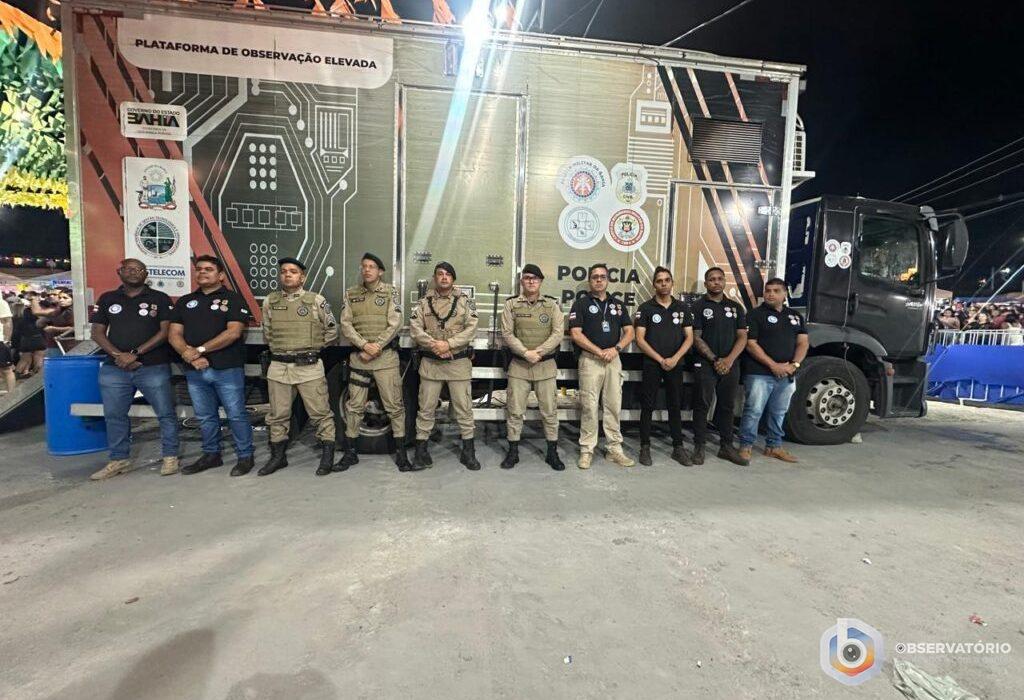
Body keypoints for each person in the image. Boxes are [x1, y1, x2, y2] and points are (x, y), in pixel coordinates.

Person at [87, 259, 180, 480]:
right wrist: (119, 356)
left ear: (146, 274)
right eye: (128, 269)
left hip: (153, 366)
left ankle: (170, 456)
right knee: (114, 415)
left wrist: (135, 354)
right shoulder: (108, 298)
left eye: (139, 269)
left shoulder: (160, 298)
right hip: (115, 368)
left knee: (166, 413)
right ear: (119, 272)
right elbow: (97, 333)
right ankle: (119, 460)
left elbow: (165, 332)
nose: (134, 273)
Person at [168, 255, 255, 475]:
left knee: (236, 414)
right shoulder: (185, 301)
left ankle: (245, 456)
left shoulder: (233, 299)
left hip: (227, 368)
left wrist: (199, 350)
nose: (202, 272)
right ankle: (211, 454)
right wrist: (189, 355)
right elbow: (174, 334)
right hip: (195, 369)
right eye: (199, 269)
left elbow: (233, 332)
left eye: (208, 269)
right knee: (205, 416)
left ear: (221, 275)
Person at [258, 257, 339, 477]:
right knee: (277, 415)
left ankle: (327, 456)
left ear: (302, 277)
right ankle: (278, 457)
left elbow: (332, 331)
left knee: (320, 413)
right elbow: (268, 333)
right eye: (283, 271)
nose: (287, 274)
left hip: (308, 367)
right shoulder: (270, 301)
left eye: (293, 271)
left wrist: (312, 347)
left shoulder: (316, 300)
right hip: (279, 367)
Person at [338, 253, 418, 472]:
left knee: (394, 407)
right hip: (360, 359)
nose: (367, 270)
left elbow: (395, 323)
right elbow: (346, 325)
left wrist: (376, 346)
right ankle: (350, 453)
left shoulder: (391, 292)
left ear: (380, 271)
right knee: (354, 407)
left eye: (372, 266)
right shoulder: (351, 294)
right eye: (364, 266)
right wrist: (365, 345)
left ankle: (401, 455)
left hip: (385, 360)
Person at [409, 262, 480, 470]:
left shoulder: (465, 302)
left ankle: (469, 452)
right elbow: (415, 328)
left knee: (464, 409)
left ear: (453, 279)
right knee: (426, 409)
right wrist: (435, 345)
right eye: (440, 274)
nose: (444, 277)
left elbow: (471, 328)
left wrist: (448, 344)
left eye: (448, 274)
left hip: (458, 364)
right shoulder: (424, 303)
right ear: (435, 278)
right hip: (431, 364)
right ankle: (421, 452)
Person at [568, 263, 635, 470]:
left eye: (602, 276)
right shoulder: (580, 304)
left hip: (613, 360)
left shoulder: (618, 305)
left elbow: (630, 332)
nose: (599, 280)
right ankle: (587, 450)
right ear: (590, 281)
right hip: (590, 360)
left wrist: (616, 349)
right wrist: (599, 352)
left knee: (613, 405)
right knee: (589, 406)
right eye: (595, 277)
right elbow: (576, 334)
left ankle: (614, 449)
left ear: (608, 280)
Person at [499, 263, 566, 471]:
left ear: (541, 282)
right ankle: (513, 452)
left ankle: (552, 452)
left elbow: (558, 333)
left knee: (550, 412)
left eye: (535, 278)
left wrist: (539, 352)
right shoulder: (511, 305)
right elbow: (507, 333)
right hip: (519, 366)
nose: (531, 281)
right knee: (514, 411)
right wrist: (525, 352)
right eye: (527, 277)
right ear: (522, 281)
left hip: (545, 366)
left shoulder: (552, 305)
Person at [739, 277, 809, 464]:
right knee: (753, 410)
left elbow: (803, 343)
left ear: (785, 294)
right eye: (768, 290)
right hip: (759, 373)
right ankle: (746, 446)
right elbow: (751, 344)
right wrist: (773, 365)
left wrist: (794, 365)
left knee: (779, 412)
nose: (770, 294)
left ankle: (774, 446)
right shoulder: (755, 315)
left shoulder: (795, 316)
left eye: (776, 291)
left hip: (787, 373)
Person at [634, 266, 693, 467]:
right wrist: (660, 359)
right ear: (654, 285)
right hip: (652, 363)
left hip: (675, 363)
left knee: (675, 405)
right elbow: (640, 339)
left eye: (667, 280)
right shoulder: (645, 308)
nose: (664, 284)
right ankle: (645, 447)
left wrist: (675, 358)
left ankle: (678, 447)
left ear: (672, 283)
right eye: (659, 281)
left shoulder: (682, 308)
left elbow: (689, 337)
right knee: (648, 405)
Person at [690, 267, 748, 466]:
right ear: (706, 283)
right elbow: (695, 337)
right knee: (701, 405)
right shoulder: (697, 307)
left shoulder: (736, 307)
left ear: (724, 282)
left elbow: (742, 337)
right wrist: (715, 359)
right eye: (712, 279)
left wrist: (729, 360)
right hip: (706, 363)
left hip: (730, 364)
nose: (716, 282)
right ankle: (699, 447)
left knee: (727, 406)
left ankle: (726, 446)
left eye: (720, 279)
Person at [0, 294, 14, 393]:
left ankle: (12, 395)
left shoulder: (1, 303)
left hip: (0, 341)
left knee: (6, 369)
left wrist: (7, 340)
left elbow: (7, 322)